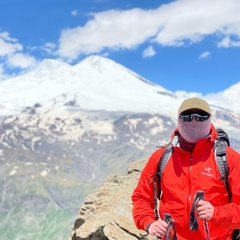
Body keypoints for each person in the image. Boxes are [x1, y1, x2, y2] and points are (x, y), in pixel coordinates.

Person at [131, 97, 240, 240]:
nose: (194, 121)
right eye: (187, 116)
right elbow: (141, 197)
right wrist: (149, 222)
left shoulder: (228, 158)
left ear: (209, 119)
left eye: (201, 117)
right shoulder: (161, 158)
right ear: (179, 119)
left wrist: (216, 213)